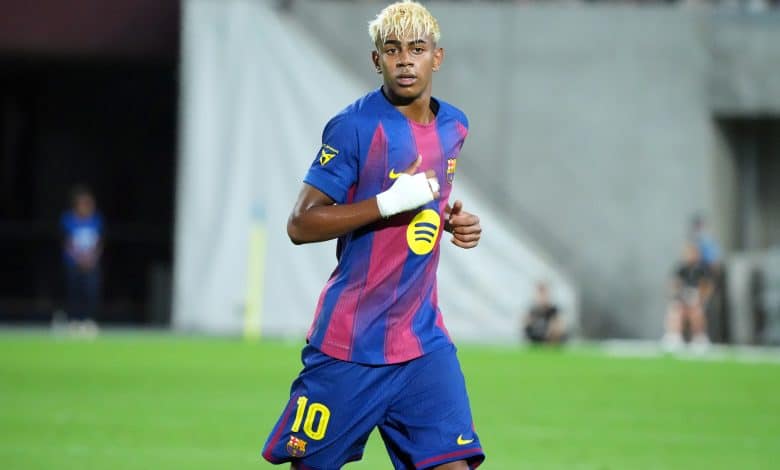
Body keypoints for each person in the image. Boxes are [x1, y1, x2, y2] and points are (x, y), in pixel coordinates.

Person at [261, 2, 484, 469]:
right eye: (392, 49)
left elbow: (424, 198)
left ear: (436, 58)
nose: (405, 60)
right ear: (375, 60)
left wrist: (449, 220)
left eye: (417, 49)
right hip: (351, 346)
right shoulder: (354, 127)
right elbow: (300, 224)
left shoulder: (454, 126)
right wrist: (385, 203)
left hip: (423, 344)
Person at [60, 185, 103, 334]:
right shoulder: (68, 219)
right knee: (74, 292)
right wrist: (79, 258)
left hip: (91, 264)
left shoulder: (96, 220)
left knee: (90, 292)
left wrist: (92, 259)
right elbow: (67, 242)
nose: (86, 206)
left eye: (89, 203)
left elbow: (98, 242)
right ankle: (73, 320)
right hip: (74, 263)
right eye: (83, 203)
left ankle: (88, 321)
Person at [661, 242, 712, 352]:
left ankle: (699, 338)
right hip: (683, 298)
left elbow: (707, 287)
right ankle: (674, 336)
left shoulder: (702, 268)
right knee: (675, 310)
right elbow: (674, 284)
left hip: (697, 299)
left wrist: (700, 299)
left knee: (696, 312)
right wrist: (677, 296)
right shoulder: (681, 268)